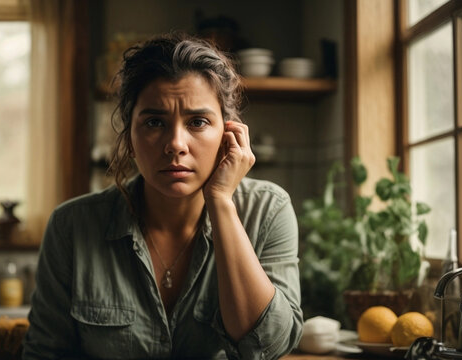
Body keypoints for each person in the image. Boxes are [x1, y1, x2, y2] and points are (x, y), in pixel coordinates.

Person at [23, 32, 303, 359]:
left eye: (197, 122)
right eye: (155, 122)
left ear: (228, 133)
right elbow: (45, 353)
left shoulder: (268, 210)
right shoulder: (72, 226)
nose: (175, 144)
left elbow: (268, 346)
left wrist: (222, 202)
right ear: (129, 134)